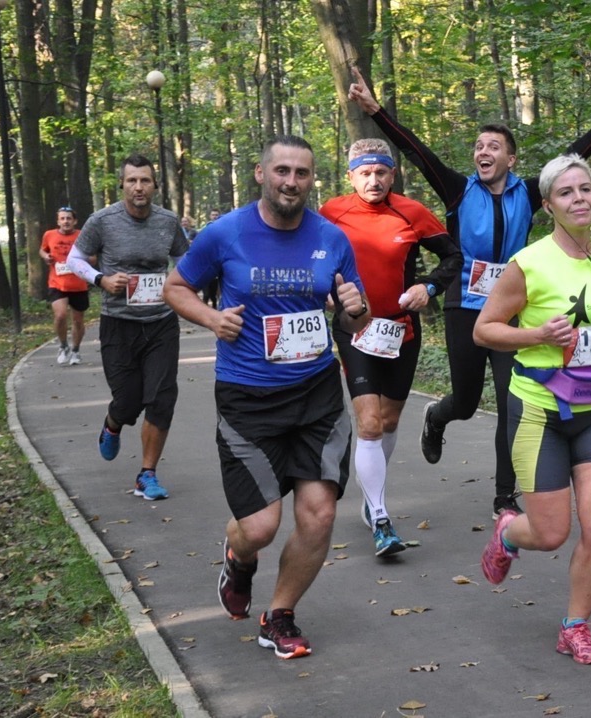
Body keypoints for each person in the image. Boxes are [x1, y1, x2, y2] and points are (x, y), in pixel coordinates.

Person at [349, 67, 591, 519]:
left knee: (508, 402)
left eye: (493, 146)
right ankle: (438, 416)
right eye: (479, 146)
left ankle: (504, 496)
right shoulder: (459, 190)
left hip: (510, 310)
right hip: (464, 307)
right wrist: (375, 110)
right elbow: (416, 151)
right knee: (465, 401)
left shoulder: (528, 193)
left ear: (511, 159)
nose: (483, 151)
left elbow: (568, 161)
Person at [163, 135, 371, 660]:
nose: (291, 182)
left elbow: (355, 318)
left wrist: (355, 308)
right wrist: (213, 318)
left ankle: (279, 615)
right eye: (282, 171)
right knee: (259, 527)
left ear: (312, 179)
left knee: (319, 515)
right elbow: (176, 287)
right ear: (261, 173)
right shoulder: (225, 233)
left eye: (302, 173)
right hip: (248, 398)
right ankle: (239, 558)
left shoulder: (331, 237)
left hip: (317, 395)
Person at [472, 155, 591, 664]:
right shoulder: (528, 264)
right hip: (539, 410)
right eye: (566, 192)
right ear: (548, 205)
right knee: (550, 533)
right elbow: (485, 330)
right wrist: (536, 335)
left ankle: (575, 626)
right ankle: (508, 531)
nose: (579, 199)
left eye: (585, 189)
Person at [320, 139, 462, 557]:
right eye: (365, 173)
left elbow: (453, 257)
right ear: (350, 176)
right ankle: (380, 516)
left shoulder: (411, 212)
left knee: (388, 420)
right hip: (354, 327)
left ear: (393, 174)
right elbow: (309, 255)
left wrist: (429, 286)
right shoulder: (331, 212)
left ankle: (373, 492)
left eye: (381, 172)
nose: (374, 180)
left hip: (401, 330)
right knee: (368, 423)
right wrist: (323, 289)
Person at [67, 154, 189, 501]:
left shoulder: (168, 221)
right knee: (128, 401)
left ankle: (146, 474)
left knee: (162, 399)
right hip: (118, 324)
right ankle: (113, 423)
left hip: (161, 323)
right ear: (122, 184)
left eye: (145, 180)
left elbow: (184, 259)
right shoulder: (102, 221)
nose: (139, 187)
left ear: (154, 185)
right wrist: (101, 279)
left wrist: (178, 281)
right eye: (132, 180)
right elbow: (74, 259)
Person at [40, 207, 88, 366]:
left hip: (78, 284)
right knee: (60, 315)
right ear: (58, 221)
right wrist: (46, 256)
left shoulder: (82, 235)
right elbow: (42, 250)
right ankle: (63, 345)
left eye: (69, 218)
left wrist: (84, 261)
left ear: (75, 221)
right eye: (62, 218)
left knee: (78, 321)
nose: (66, 221)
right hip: (57, 283)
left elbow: (92, 256)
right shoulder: (49, 235)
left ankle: (75, 350)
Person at [201, 208, 222, 308]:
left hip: (220, 262)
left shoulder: (224, 227)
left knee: (216, 293)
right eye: (213, 215)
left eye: (216, 215)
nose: (215, 217)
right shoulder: (206, 228)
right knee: (207, 293)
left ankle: (216, 307)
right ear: (210, 216)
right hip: (208, 262)